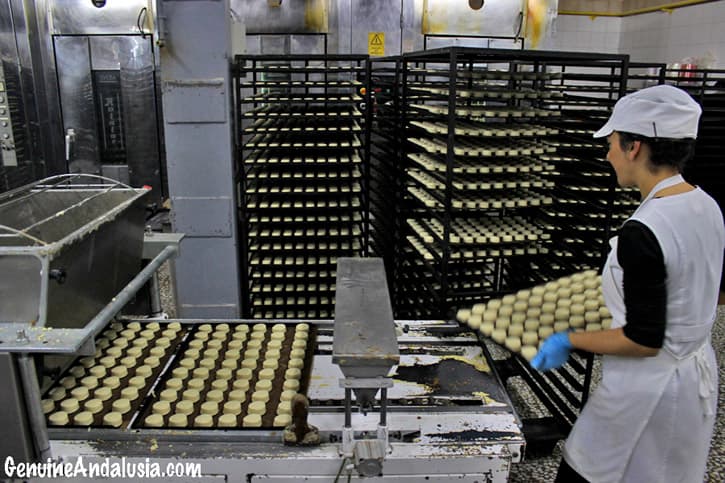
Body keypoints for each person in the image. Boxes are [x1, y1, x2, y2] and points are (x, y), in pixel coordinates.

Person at [532, 84, 724, 483]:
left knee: (592, 468)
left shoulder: (644, 230)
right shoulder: (705, 205)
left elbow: (643, 339)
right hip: (693, 376)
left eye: (613, 143)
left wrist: (569, 339)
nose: (608, 154)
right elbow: (710, 290)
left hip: (649, 389)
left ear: (635, 146)